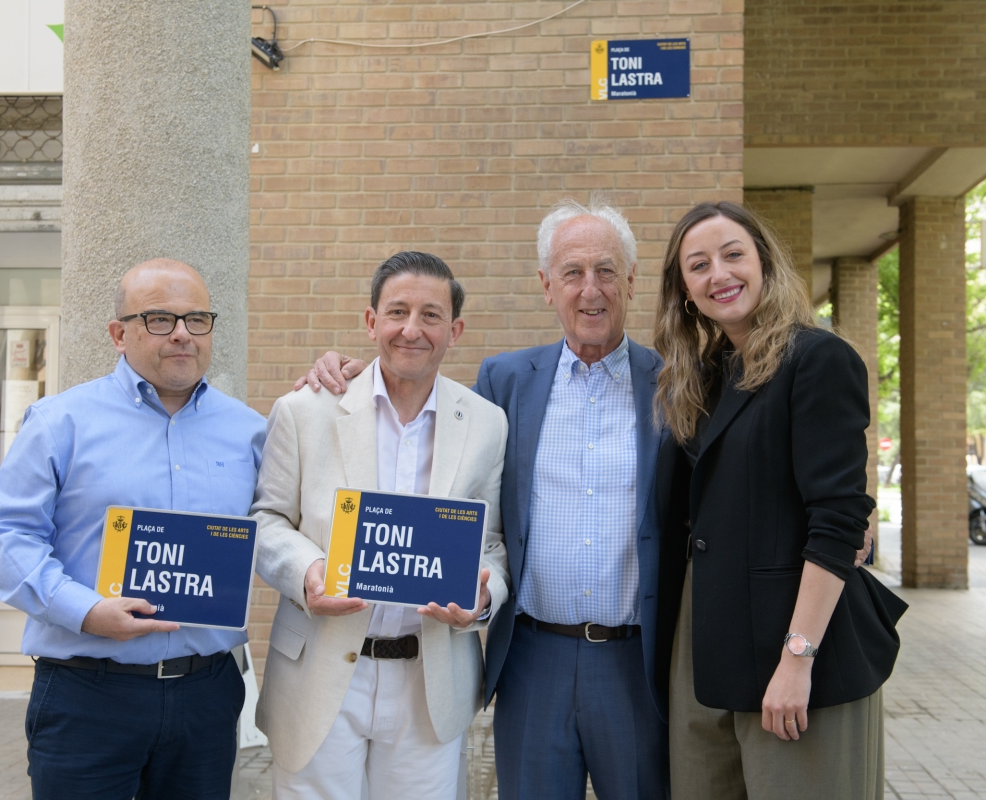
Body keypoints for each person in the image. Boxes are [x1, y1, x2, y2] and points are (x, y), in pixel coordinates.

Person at [302, 198, 671, 800]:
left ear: (630, 280)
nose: (590, 289)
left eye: (606, 271)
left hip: (634, 662)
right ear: (546, 285)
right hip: (532, 657)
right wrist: (342, 372)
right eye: (572, 273)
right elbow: (431, 437)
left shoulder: (673, 383)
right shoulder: (504, 382)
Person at [0, 259, 267, 799]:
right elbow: (3, 538)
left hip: (206, 694)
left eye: (197, 319)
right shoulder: (60, 421)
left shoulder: (250, 431)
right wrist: (84, 610)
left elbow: (279, 528)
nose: (182, 333)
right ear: (118, 333)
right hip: (87, 693)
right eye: (159, 318)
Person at [651, 202, 908, 799]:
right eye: (699, 264)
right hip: (706, 644)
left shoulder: (817, 360)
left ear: (764, 263)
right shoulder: (703, 378)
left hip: (797, 643)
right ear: (685, 290)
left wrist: (798, 659)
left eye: (733, 254)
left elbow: (839, 518)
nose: (720, 273)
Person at [252, 252, 509, 799]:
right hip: (321, 672)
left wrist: (480, 600)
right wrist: (307, 571)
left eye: (431, 316)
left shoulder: (486, 422)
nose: (411, 330)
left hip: (429, 677)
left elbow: (490, 544)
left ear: (455, 330)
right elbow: (268, 520)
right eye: (397, 312)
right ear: (371, 322)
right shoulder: (305, 410)